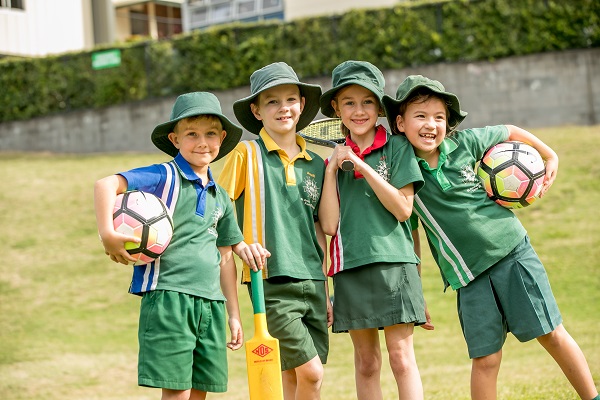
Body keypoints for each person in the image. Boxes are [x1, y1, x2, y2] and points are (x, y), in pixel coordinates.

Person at [382, 74, 600, 400]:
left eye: (439, 117)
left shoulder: (466, 143)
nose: (431, 125)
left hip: (513, 252)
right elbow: (411, 237)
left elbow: (509, 130)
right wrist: (416, 292)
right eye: (421, 116)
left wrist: (549, 154)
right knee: (486, 359)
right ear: (400, 123)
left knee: (552, 333)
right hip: (468, 277)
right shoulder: (405, 174)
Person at [94, 91, 270, 400]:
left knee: (202, 390)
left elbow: (225, 258)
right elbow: (105, 184)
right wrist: (108, 234)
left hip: (212, 305)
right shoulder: (164, 176)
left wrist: (233, 313)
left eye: (210, 134)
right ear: (175, 139)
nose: (202, 142)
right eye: (192, 134)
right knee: (176, 391)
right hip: (169, 297)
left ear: (222, 138)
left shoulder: (222, 197)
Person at [216, 62, 331, 400]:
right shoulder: (245, 154)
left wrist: (326, 285)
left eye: (291, 99)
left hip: (313, 280)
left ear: (302, 105)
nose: (284, 108)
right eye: (272, 102)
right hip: (270, 281)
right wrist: (239, 245)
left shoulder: (317, 164)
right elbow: (216, 210)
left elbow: (318, 228)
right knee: (313, 374)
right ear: (257, 110)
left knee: (293, 378)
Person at [317, 60, 431, 400]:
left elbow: (403, 208)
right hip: (349, 267)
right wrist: (331, 171)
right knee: (367, 363)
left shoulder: (398, 148)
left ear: (380, 108)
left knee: (401, 359)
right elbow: (329, 225)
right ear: (337, 109)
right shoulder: (332, 164)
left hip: (395, 264)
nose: (359, 110)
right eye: (349, 102)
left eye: (367, 101)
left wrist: (363, 167)